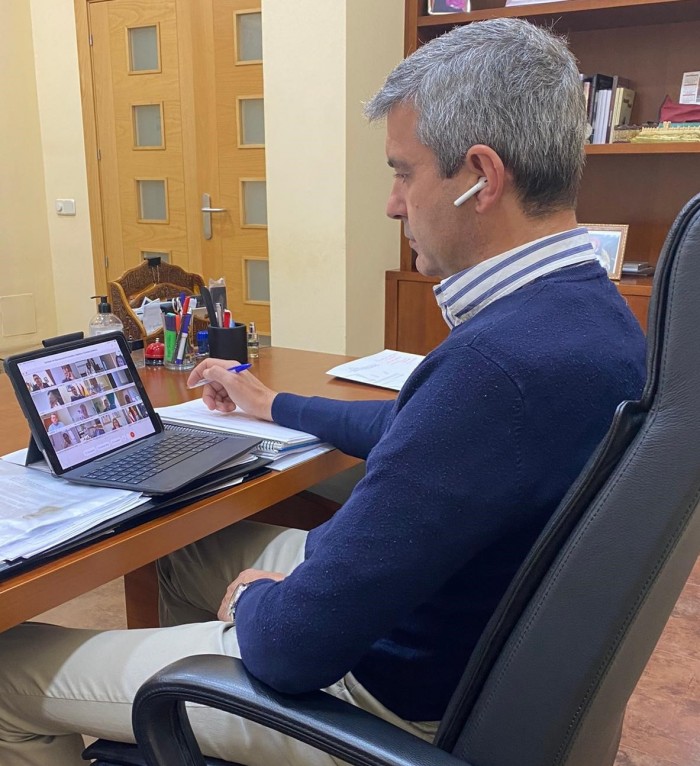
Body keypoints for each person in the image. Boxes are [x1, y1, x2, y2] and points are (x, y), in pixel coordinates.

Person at [0, 19, 647, 766]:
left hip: (390, 700)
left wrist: (257, 604)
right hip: (469, 646)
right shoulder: (589, 315)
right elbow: (418, 431)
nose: (393, 204)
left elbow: (291, 651)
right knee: (184, 557)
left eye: (403, 172)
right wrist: (271, 405)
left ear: (481, 176)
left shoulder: (497, 367)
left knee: (10, 672)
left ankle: (199, 700)